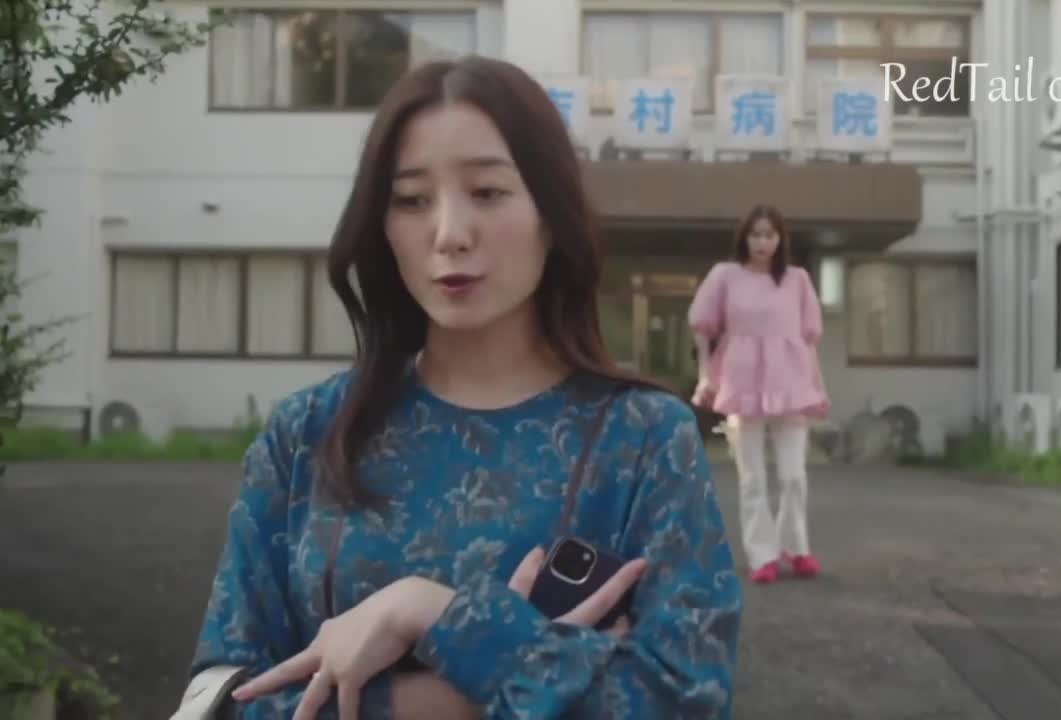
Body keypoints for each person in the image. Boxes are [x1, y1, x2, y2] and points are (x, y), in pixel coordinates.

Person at [186, 56, 742, 719]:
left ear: (551, 213)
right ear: (382, 226)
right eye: (411, 200)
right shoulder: (307, 434)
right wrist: (472, 685)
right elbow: (217, 702)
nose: (449, 234)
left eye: (487, 192)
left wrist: (428, 611)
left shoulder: (644, 439)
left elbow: (684, 701)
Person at [687, 205, 829, 586]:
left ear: (780, 239)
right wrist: (706, 376)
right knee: (752, 478)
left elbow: (809, 340)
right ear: (744, 238)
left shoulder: (797, 279)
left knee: (794, 475)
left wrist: (817, 386)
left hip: (792, 381)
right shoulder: (725, 275)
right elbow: (703, 328)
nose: (762, 242)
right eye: (756, 234)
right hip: (742, 380)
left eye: (770, 235)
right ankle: (761, 555)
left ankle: (794, 547)